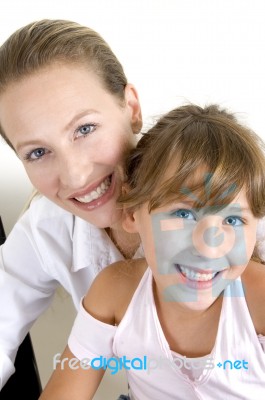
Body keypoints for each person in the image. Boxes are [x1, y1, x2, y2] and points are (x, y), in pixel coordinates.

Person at [40, 104, 265, 400]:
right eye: (184, 215)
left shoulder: (258, 299)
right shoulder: (115, 292)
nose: (209, 245)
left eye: (233, 220)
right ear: (132, 213)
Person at [0, 19, 143, 389]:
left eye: (84, 129)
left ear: (131, 108)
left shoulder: (231, 202)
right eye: (38, 152)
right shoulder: (48, 225)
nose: (77, 177)